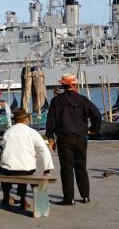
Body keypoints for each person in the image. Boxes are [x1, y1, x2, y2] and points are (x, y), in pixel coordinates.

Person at [46, 73, 101, 205]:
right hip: (81, 139)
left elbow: (50, 121)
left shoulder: (56, 101)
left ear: (63, 86)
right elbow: (97, 116)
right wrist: (94, 130)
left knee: (67, 169)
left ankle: (69, 198)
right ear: (74, 85)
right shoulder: (83, 100)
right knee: (81, 167)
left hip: (65, 139)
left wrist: (50, 138)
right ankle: (85, 196)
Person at [0, 108, 54, 210]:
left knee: (6, 168)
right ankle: (23, 199)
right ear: (26, 119)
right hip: (27, 169)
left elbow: (4, 148)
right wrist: (47, 169)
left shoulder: (7, 132)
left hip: (9, 169)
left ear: (14, 121)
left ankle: (7, 196)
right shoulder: (31, 132)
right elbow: (44, 150)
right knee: (24, 170)